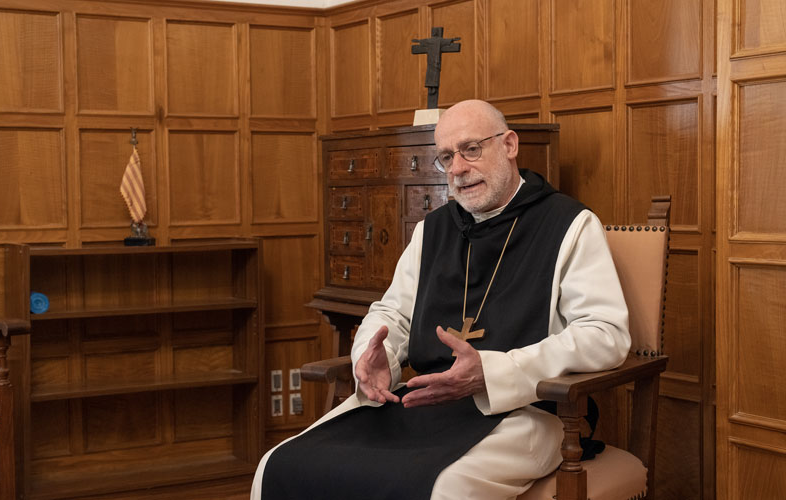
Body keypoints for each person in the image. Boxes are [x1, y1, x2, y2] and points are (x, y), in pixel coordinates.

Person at [252, 99, 630, 499]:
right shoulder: (432, 229)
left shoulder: (569, 224)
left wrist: (492, 372)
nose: (458, 169)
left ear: (510, 145)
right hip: (422, 401)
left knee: (446, 488)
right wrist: (372, 355)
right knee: (279, 464)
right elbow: (392, 312)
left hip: (525, 410)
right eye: (446, 157)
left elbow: (605, 333)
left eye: (471, 149)